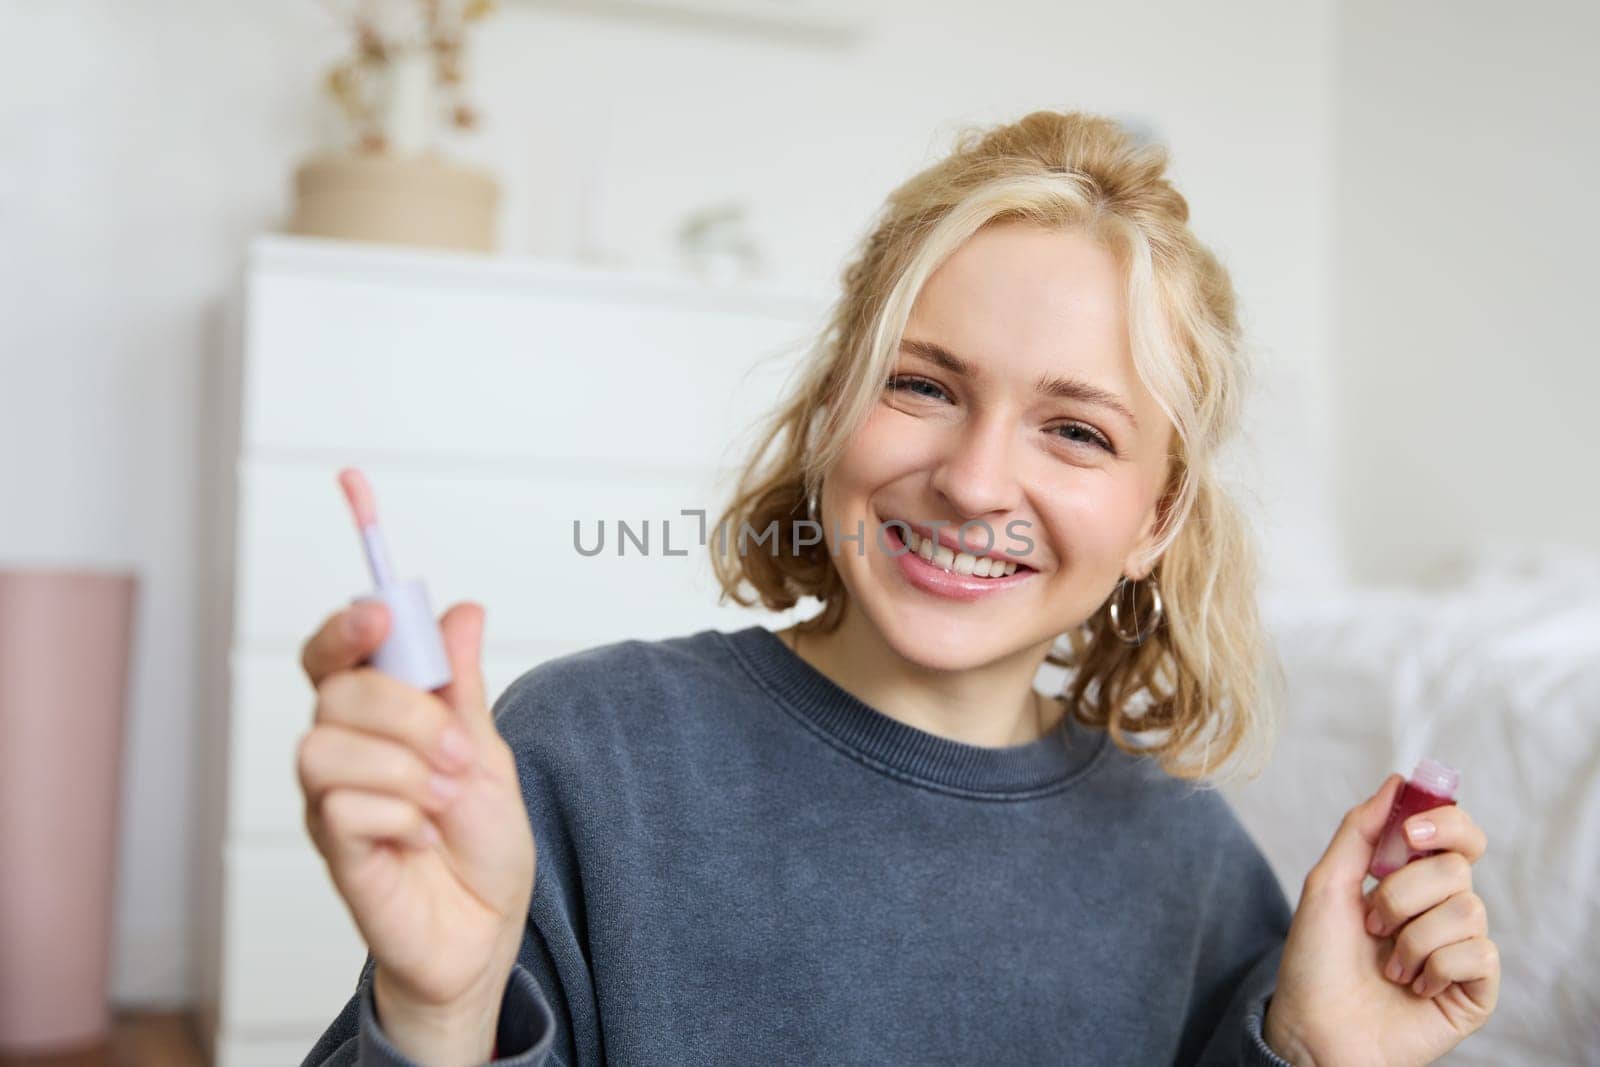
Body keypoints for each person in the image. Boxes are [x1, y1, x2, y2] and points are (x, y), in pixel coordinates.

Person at [297, 111, 1500, 1066]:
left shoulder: (1191, 867)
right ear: (833, 408)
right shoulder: (585, 752)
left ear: (1160, 518)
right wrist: (441, 1014)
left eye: (1075, 431)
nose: (975, 481)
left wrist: (1314, 1054)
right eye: (922, 386)